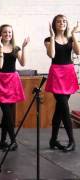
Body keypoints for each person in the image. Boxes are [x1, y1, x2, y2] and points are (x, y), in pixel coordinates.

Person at [0, 24, 29, 151]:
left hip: (12, 82)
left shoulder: (15, 48)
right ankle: (13, 141)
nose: (7, 34)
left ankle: (2, 141)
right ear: (0, 34)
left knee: (7, 115)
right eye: (5, 32)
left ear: (12, 34)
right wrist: (0, 49)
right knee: (7, 113)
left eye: (10, 32)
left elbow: (23, 63)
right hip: (0, 81)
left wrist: (23, 48)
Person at [44, 14, 80, 152]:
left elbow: (78, 51)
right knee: (64, 107)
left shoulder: (71, 38)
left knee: (59, 110)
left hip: (68, 74)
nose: (62, 23)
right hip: (57, 74)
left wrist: (73, 34)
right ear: (54, 24)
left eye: (64, 21)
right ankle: (72, 141)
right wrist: (52, 36)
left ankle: (53, 139)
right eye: (59, 21)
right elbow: (51, 54)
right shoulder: (48, 39)